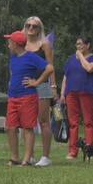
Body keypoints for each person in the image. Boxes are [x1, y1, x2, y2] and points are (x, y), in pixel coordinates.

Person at [4, 31, 50, 166]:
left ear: (16, 44)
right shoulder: (13, 58)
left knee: (28, 127)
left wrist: (36, 82)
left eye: (10, 42)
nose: (8, 45)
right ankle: (14, 157)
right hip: (13, 97)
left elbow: (49, 68)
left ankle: (26, 159)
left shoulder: (32, 57)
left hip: (28, 97)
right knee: (10, 127)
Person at [22, 16, 56, 163]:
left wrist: (54, 86)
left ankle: (45, 156)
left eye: (34, 26)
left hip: (43, 85)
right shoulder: (21, 43)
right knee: (26, 122)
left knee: (43, 120)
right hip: (25, 85)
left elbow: (51, 67)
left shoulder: (45, 44)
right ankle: (30, 155)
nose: (30, 28)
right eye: (28, 25)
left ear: (39, 29)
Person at [61, 35, 93, 159]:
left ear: (88, 45)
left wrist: (81, 56)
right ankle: (73, 151)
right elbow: (65, 77)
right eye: (77, 44)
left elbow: (89, 68)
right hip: (71, 93)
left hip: (87, 92)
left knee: (89, 122)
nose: (78, 46)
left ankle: (89, 151)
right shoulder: (71, 59)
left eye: (81, 44)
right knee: (73, 123)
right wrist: (63, 94)